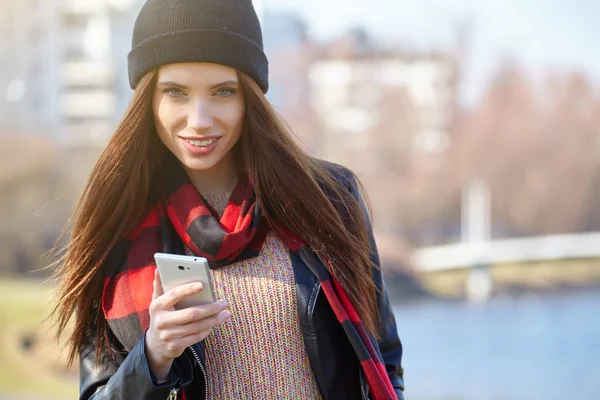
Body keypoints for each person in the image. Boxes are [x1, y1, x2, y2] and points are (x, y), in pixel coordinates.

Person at [51, 0, 405, 399]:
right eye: (176, 92)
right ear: (149, 100)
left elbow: (383, 357)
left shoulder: (329, 199)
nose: (200, 118)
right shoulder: (117, 224)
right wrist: (153, 356)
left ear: (249, 98)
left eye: (223, 91)